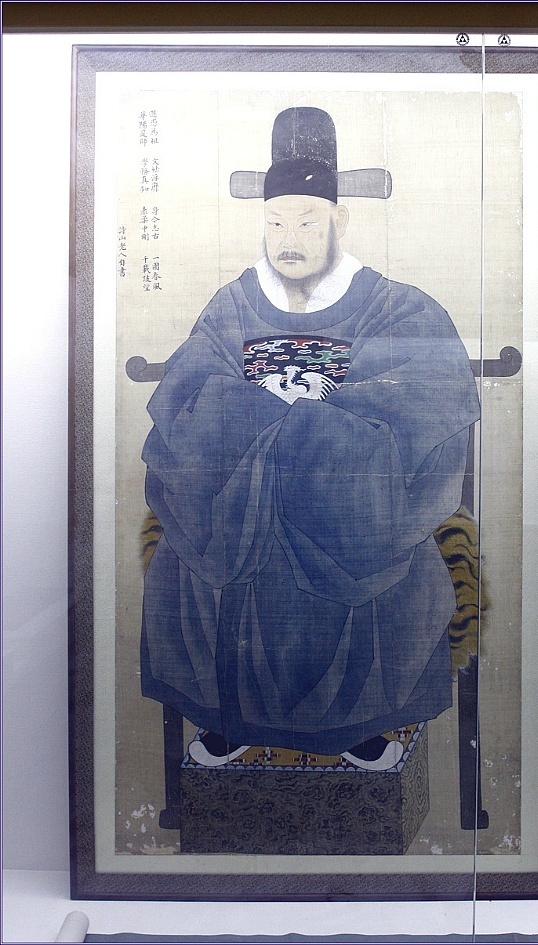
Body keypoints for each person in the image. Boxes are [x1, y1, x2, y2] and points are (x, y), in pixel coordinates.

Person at [140, 107, 480, 772]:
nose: (288, 240)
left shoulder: (400, 309)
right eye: (275, 223)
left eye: (306, 222)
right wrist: (293, 425)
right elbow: (188, 403)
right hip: (238, 523)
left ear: (339, 220)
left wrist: (284, 430)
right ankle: (229, 716)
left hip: (351, 525)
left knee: (359, 518)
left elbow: (417, 418)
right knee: (207, 527)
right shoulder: (232, 306)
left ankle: (359, 723)